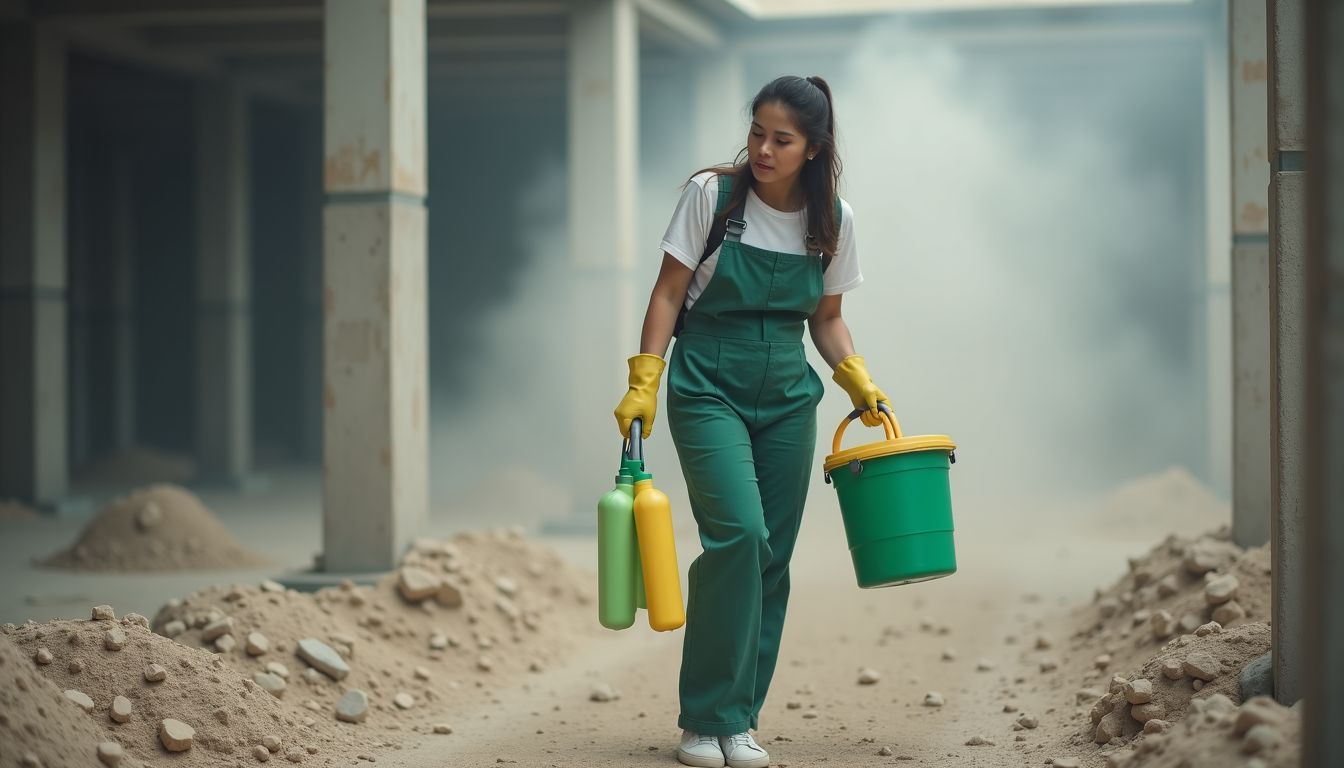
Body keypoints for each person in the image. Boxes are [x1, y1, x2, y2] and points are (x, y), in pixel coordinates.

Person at [613, 74, 891, 768]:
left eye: (782, 138)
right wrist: (645, 377)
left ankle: (739, 720)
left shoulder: (834, 220)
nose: (763, 149)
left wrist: (856, 380)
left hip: (789, 393)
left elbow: (826, 319)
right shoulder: (712, 197)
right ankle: (702, 721)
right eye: (757, 132)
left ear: (813, 147)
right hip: (708, 381)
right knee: (739, 534)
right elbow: (669, 291)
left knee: (771, 558)